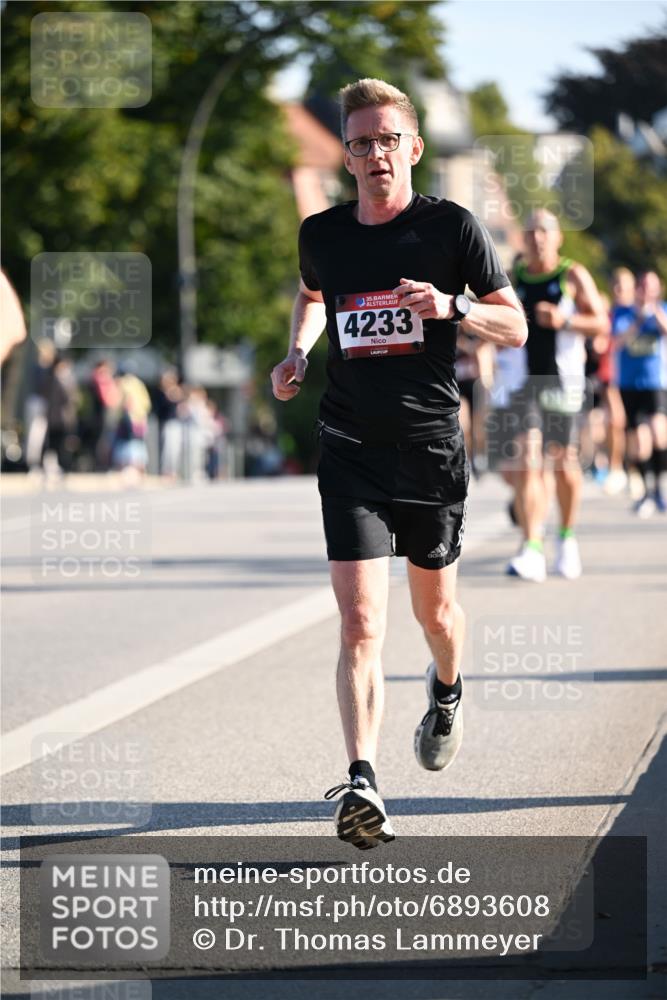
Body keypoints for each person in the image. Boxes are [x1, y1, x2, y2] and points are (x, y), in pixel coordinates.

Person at [271, 78, 527, 850]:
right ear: (345, 156)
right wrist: (296, 351)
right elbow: (313, 295)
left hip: (429, 452)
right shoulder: (323, 233)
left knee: (436, 618)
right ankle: (361, 782)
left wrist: (452, 307)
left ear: (412, 148)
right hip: (349, 447)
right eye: (360, 142)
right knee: (359, 621)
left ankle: (446, 691)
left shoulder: (451, 228)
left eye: (387, 139)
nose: (374, 153)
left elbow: (512, 326)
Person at [507, 209, 609, 582]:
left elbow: (601, 322)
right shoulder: (513, 277)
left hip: (562, 383)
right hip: (524, 384)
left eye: (544, 231)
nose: (537, 237)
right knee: (528, 458)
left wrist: (565, 320)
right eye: (531, 230)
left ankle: (566, 537)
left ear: (557, 237)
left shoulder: (572, 275)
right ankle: (532, 546)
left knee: (564, 463)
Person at [612, 270, 667, 516]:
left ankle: (660, 487)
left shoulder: (661, 310)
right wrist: (637, 318)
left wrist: (655, 312)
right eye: (643, 286)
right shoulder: (623, 312)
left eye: (651, 287)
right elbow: (618, 340)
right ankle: (646, 492)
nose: (647, 291)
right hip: (629, 384)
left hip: (655, 383)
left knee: (659, 434)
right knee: (640, 442)